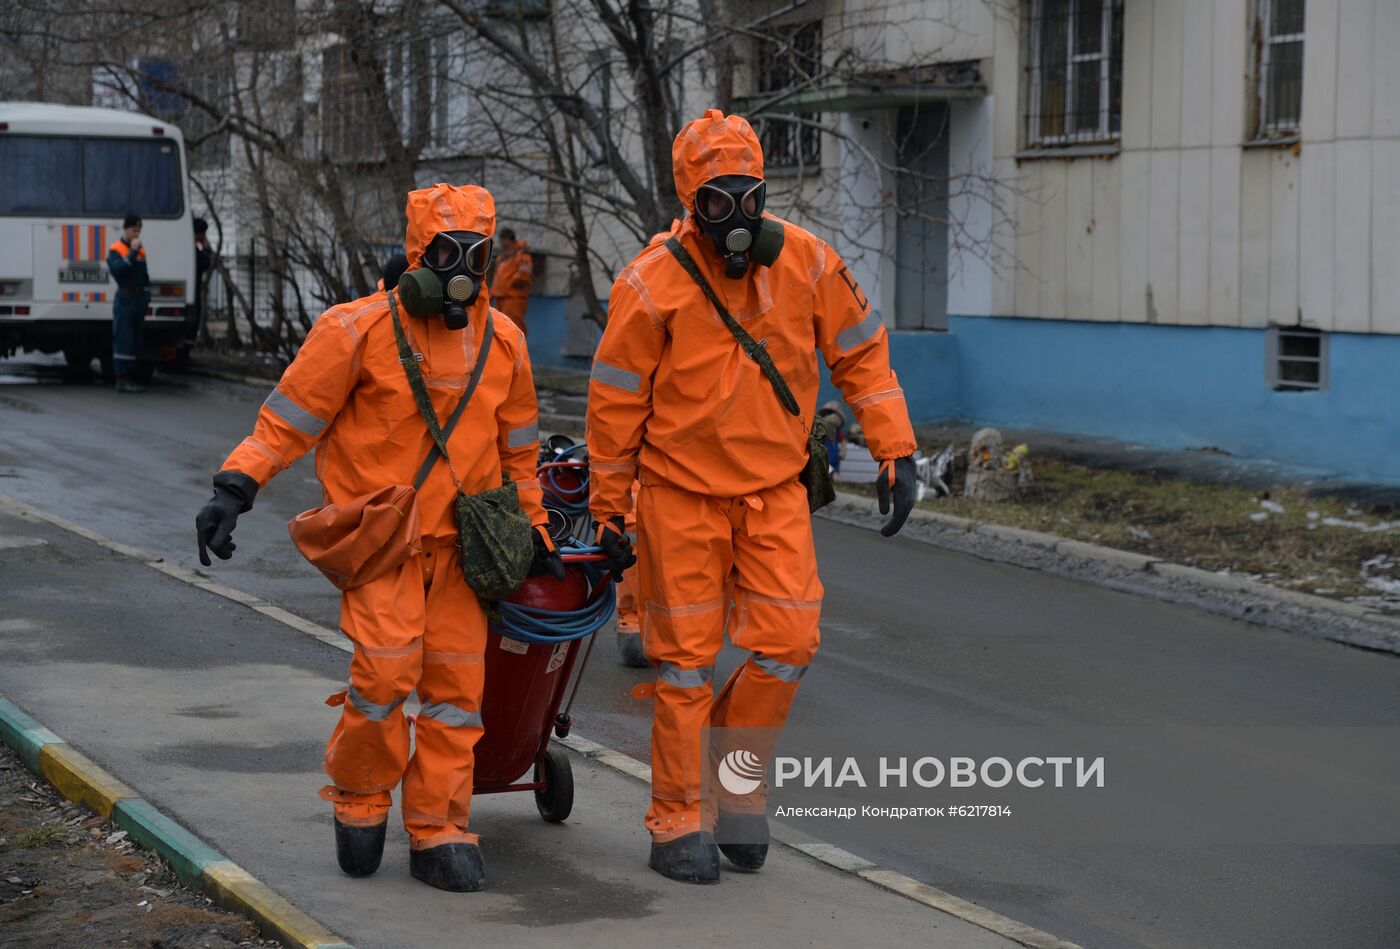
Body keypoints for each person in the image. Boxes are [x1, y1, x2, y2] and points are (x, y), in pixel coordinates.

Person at [585, 109, 919, 884]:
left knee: (790, 644)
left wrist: (894, 447)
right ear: (690, 201)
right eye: (716, 200)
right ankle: (679, 819)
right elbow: (614, 406)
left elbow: (862, 354)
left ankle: (735, 786)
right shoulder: (651, 282)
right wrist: (608, 508)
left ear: (765, 193)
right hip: (679, 497)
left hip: (772, 492)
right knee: (684, 665)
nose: (735, 218)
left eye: (748, 197)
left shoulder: (805, 261)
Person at [194, 183, 556, 893]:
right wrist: (236, 486)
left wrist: (534, 527)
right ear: (418, 254)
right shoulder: (354, 330)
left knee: (456, 694)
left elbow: (519, 454)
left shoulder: (503, 341)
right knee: (384, 679)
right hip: (383, 541)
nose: (464, 270)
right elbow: (288, 420)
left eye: (476, 256)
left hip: (463, 549)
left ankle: (440, 827)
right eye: (449, 254)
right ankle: (360, 800)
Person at [106, 213, 150, 393]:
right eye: (134, 229)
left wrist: (147, 296)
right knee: (123, 338)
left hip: (139, 298)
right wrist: (132, 253)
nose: (136, 233)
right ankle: (121, 378)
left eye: (139, 230)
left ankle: (131, 377)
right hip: (125, 298)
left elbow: (144, 275)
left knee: (135, 339)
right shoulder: (116, 249)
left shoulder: (140, 249)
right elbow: (118, 271)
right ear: (125, 229)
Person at [178, 218, 213, 367]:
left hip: (190, 289)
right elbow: (205, 262)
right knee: (192, 323)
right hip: (193, 290)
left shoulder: (184, 246)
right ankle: (183, 355)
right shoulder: (193, 249)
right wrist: (206, 248)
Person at [488, 228, 533, 335]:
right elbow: (498, 276)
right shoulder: (503, 256)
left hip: (514, 298)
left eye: (504, 241)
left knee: (514, 328)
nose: (502, 244)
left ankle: (517, 351)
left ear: (509, 240)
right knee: (502, 329)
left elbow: (524, 275)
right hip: (501, 297)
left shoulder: (522, 255)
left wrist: (509, 285)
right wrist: (492, 293)